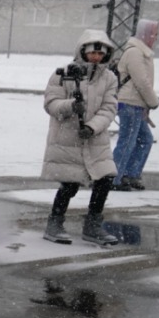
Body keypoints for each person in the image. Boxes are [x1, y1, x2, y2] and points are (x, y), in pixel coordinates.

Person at [41, 30, 120, 246]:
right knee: (70, 183)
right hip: (68, 140)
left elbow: (109, 108)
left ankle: (93, 224)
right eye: (92, 53)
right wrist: (70, 106)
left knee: (104, 179)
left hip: (95, 141)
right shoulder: (63, 74)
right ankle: (55, 222)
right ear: (82, 51)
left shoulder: (109, 78)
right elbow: (51, 103)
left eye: (100, 54)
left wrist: (93, 127)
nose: (96, 57)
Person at [111, 18, 159, 191]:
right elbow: (141, 81)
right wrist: (153, 101)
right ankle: (114, 178)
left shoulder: (143, 52)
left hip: (137, 104)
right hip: (129, 103)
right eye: (153, 33)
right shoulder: (135, 52)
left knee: (144, 139)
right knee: (128, 141)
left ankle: (130, 174)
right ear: (144, 34)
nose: (155, 37)